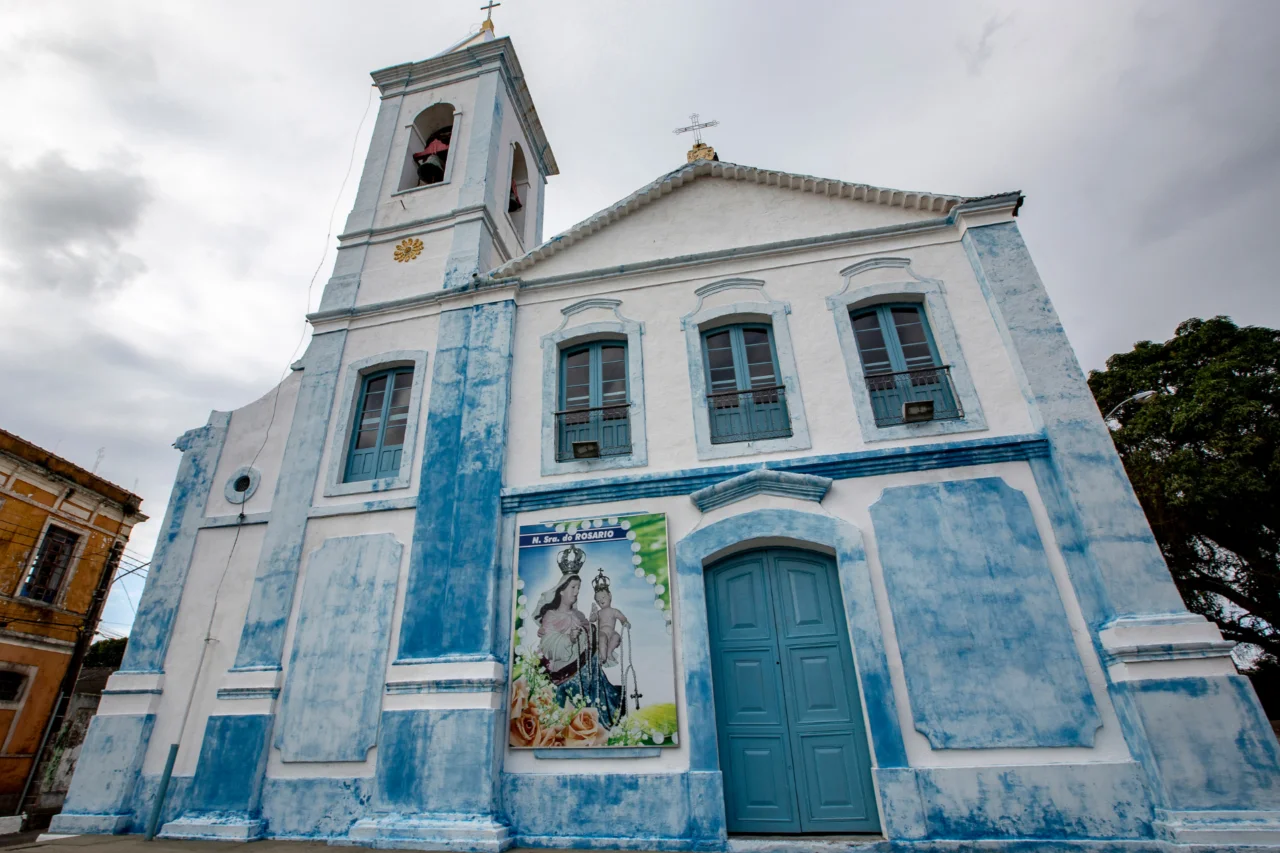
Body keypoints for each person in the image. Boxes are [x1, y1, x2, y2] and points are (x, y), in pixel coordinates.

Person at [590, 586, 630, 667]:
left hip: (611, 632)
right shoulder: (599, 612)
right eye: (598, 600)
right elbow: (592, 619)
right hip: (602, 632)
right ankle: (603, 657)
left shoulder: (614, 611)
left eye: (603, 597)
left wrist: (625, 623)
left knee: (616, 637)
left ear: (610, 595)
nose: (601, 600)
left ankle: (609, 652)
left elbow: (622, 618)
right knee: (602, 638)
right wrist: (593, 612)